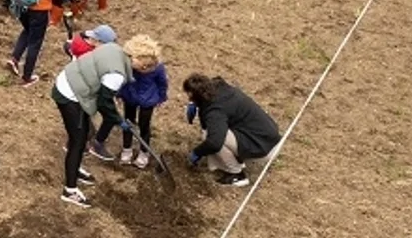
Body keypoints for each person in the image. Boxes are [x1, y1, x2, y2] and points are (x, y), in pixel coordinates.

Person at [52, 36, 151, 208]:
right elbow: (104, 103)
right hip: (69, 93)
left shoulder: (114, 48)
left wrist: (114, 114)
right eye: (145, 65)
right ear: (137, 59)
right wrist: (119, 121)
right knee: (78, 140)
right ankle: (70, 190)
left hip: (73, 81)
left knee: (84, 134)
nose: (145, 69)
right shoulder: (117, 74)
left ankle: (75, 170)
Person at [184, 74, 282, 187]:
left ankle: (237, 174)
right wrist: (195, 105)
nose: (189, 100)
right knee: (217, 130)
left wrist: (196, 153)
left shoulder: (215, 111)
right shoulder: (220, 88)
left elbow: (214, 142)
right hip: (269, 136)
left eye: (191, 98)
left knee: (209, 136)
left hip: (263, 147)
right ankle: (237, 156)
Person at [95, 35, 167, 168]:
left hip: (148, 99)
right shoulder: (130, 64)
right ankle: (126, 149)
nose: (145, 69)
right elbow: (122, 79)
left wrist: (162, 97)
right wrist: (120, 93)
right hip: (130, 96)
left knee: (144, 125)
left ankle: (144, 153)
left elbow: (162, 83)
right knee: (128, 122)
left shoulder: (157, 67)